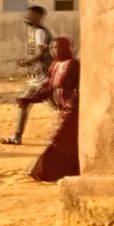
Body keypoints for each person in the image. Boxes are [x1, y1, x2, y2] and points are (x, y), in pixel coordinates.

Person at [26, 35, 81, 183]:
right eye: (52, 48)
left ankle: (42, 172)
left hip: (72, 109)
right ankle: (66, 171)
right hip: (62, 109)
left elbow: (79, 87)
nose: (55, 50)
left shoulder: (73, 64)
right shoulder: (54, 65)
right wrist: (31, 99)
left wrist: (73, 104)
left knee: (57, 139)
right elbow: (50, 87)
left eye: (59, 47)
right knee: (67, 142)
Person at [1, 4, 56, 145]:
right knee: (24, 101)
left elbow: (40, 52)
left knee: (59, 106)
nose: (27, 17)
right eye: (27, 14)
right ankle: (17, 136)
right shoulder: (32, 31)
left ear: (38, 17)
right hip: (37, 77)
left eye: (30, 15)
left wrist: (27, 61)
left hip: (45, 76)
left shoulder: (39, 32)